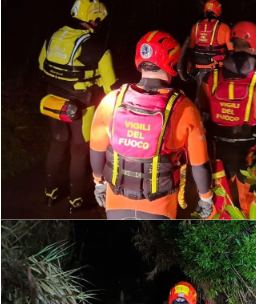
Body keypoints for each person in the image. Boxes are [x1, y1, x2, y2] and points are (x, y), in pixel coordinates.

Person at [89, 31, 215, 219]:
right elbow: (200, 165)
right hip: (160, 207)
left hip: (115, 203)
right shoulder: (184, 108)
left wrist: (99, 183)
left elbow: (96, 152)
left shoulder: (111, 100)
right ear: (173, 61)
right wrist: (206, 198)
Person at [196, 21, 256, 217]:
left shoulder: (209, 78)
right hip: (250, 152)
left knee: (219, 205)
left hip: (217, 150)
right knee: (252, 205)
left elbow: (203, 108)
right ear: (254, 45)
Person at [38, 0, 117, 212]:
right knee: (79, 152)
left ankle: (50, 194)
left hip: (53, 103)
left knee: (56, 145)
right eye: (99, 20)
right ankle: (76, 200)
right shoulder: (98, 49)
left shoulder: (53, 37)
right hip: (82, 108)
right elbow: (112, 88)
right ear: (93, 20)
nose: (99, 25)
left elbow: (42, 66)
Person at [183, 0, 231, 89]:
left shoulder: (195, 26)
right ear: (219, 11)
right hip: (217, 67)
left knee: (200, 93)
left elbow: (189, 49)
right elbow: (232, 51)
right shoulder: (224, 27)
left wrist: (189, 65)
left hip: (198, 67)